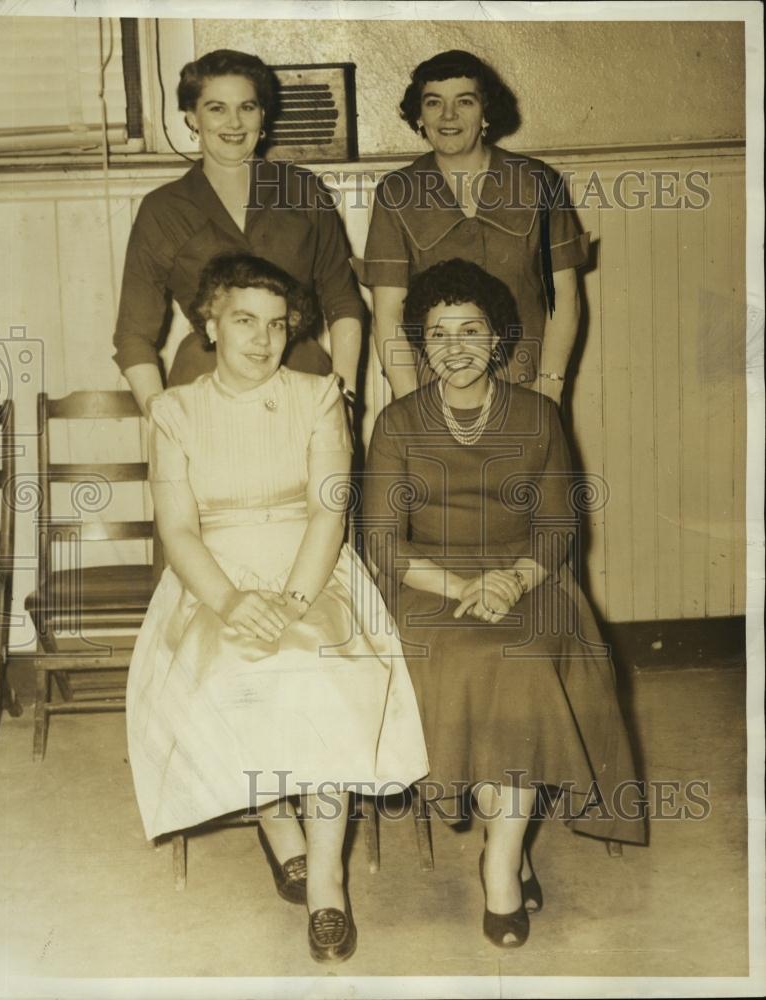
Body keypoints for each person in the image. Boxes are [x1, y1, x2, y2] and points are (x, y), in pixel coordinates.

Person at [126, 254, 427, 964]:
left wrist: (294, 598)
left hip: (311, 565)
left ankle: (326, 881)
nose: (262, 340)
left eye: (277, 325)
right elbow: (177, 530)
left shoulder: (319, 395)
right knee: (233, 673)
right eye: (243, 322)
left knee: (318, 673)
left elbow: (331, 510)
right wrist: (230, 601)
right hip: (213, 575)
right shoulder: (173, 410)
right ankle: (276, 823)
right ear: (210, 323)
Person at [362, 259, 645, 950]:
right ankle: (508, 852)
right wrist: (460, 586)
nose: (454, 347)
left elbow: (559, 527)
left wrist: (515, 580)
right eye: (437, 333)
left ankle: (500, 855)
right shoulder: (397, 422)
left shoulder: (538, 415)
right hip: (430, 584)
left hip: (529, 577)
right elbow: (378, 541)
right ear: (419, 345)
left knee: (523, 657)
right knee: (466, 657)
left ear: (499, 339)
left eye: (470, 330)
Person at [113, 49, 362, 415]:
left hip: (303, 384)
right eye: (216, 108)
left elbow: (344, 302)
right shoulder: (162, 209)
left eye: (247, 107)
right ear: (191, 118)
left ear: (263, 116)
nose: (234, 123)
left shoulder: (303, 191)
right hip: (203, 388)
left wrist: (345, 398)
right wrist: (164, 419)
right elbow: (134, 336)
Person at [355, 49, 588, 403]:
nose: (448, 115)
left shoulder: (536, 181)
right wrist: (410, 402)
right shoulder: (396, 192)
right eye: (433, 103)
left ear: (486, 112)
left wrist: (550, 387)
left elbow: (564, 296)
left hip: (525, 385)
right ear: (419, 116)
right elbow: (388, 313)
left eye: (464, 101)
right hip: (433, 390)